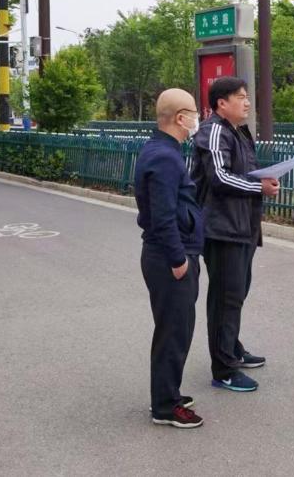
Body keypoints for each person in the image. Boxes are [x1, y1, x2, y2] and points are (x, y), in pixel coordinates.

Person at [192, 77, 279, 393]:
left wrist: (265, 179)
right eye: (241, 97)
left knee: (237, 293)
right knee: (225, 298)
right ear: (221, 103)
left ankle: (231, 347)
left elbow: (243, 173)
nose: (247, 103)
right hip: (222, 230)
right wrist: (259, 187)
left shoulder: (238, 132)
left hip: (242, 227)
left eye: (247, 97)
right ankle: (224, 368)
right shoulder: (214, 131)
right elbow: (220, 177)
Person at [134, 88, 205, 429]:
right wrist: (178, 260)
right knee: (174, 332)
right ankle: (165, 406)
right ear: (180, 118)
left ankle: (167, 392)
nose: (197, 118)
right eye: (194, 112)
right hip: (169, 258)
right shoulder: (165, 157)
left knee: (174, 328)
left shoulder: (161, 150)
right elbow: (163, 216)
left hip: (167, 253)